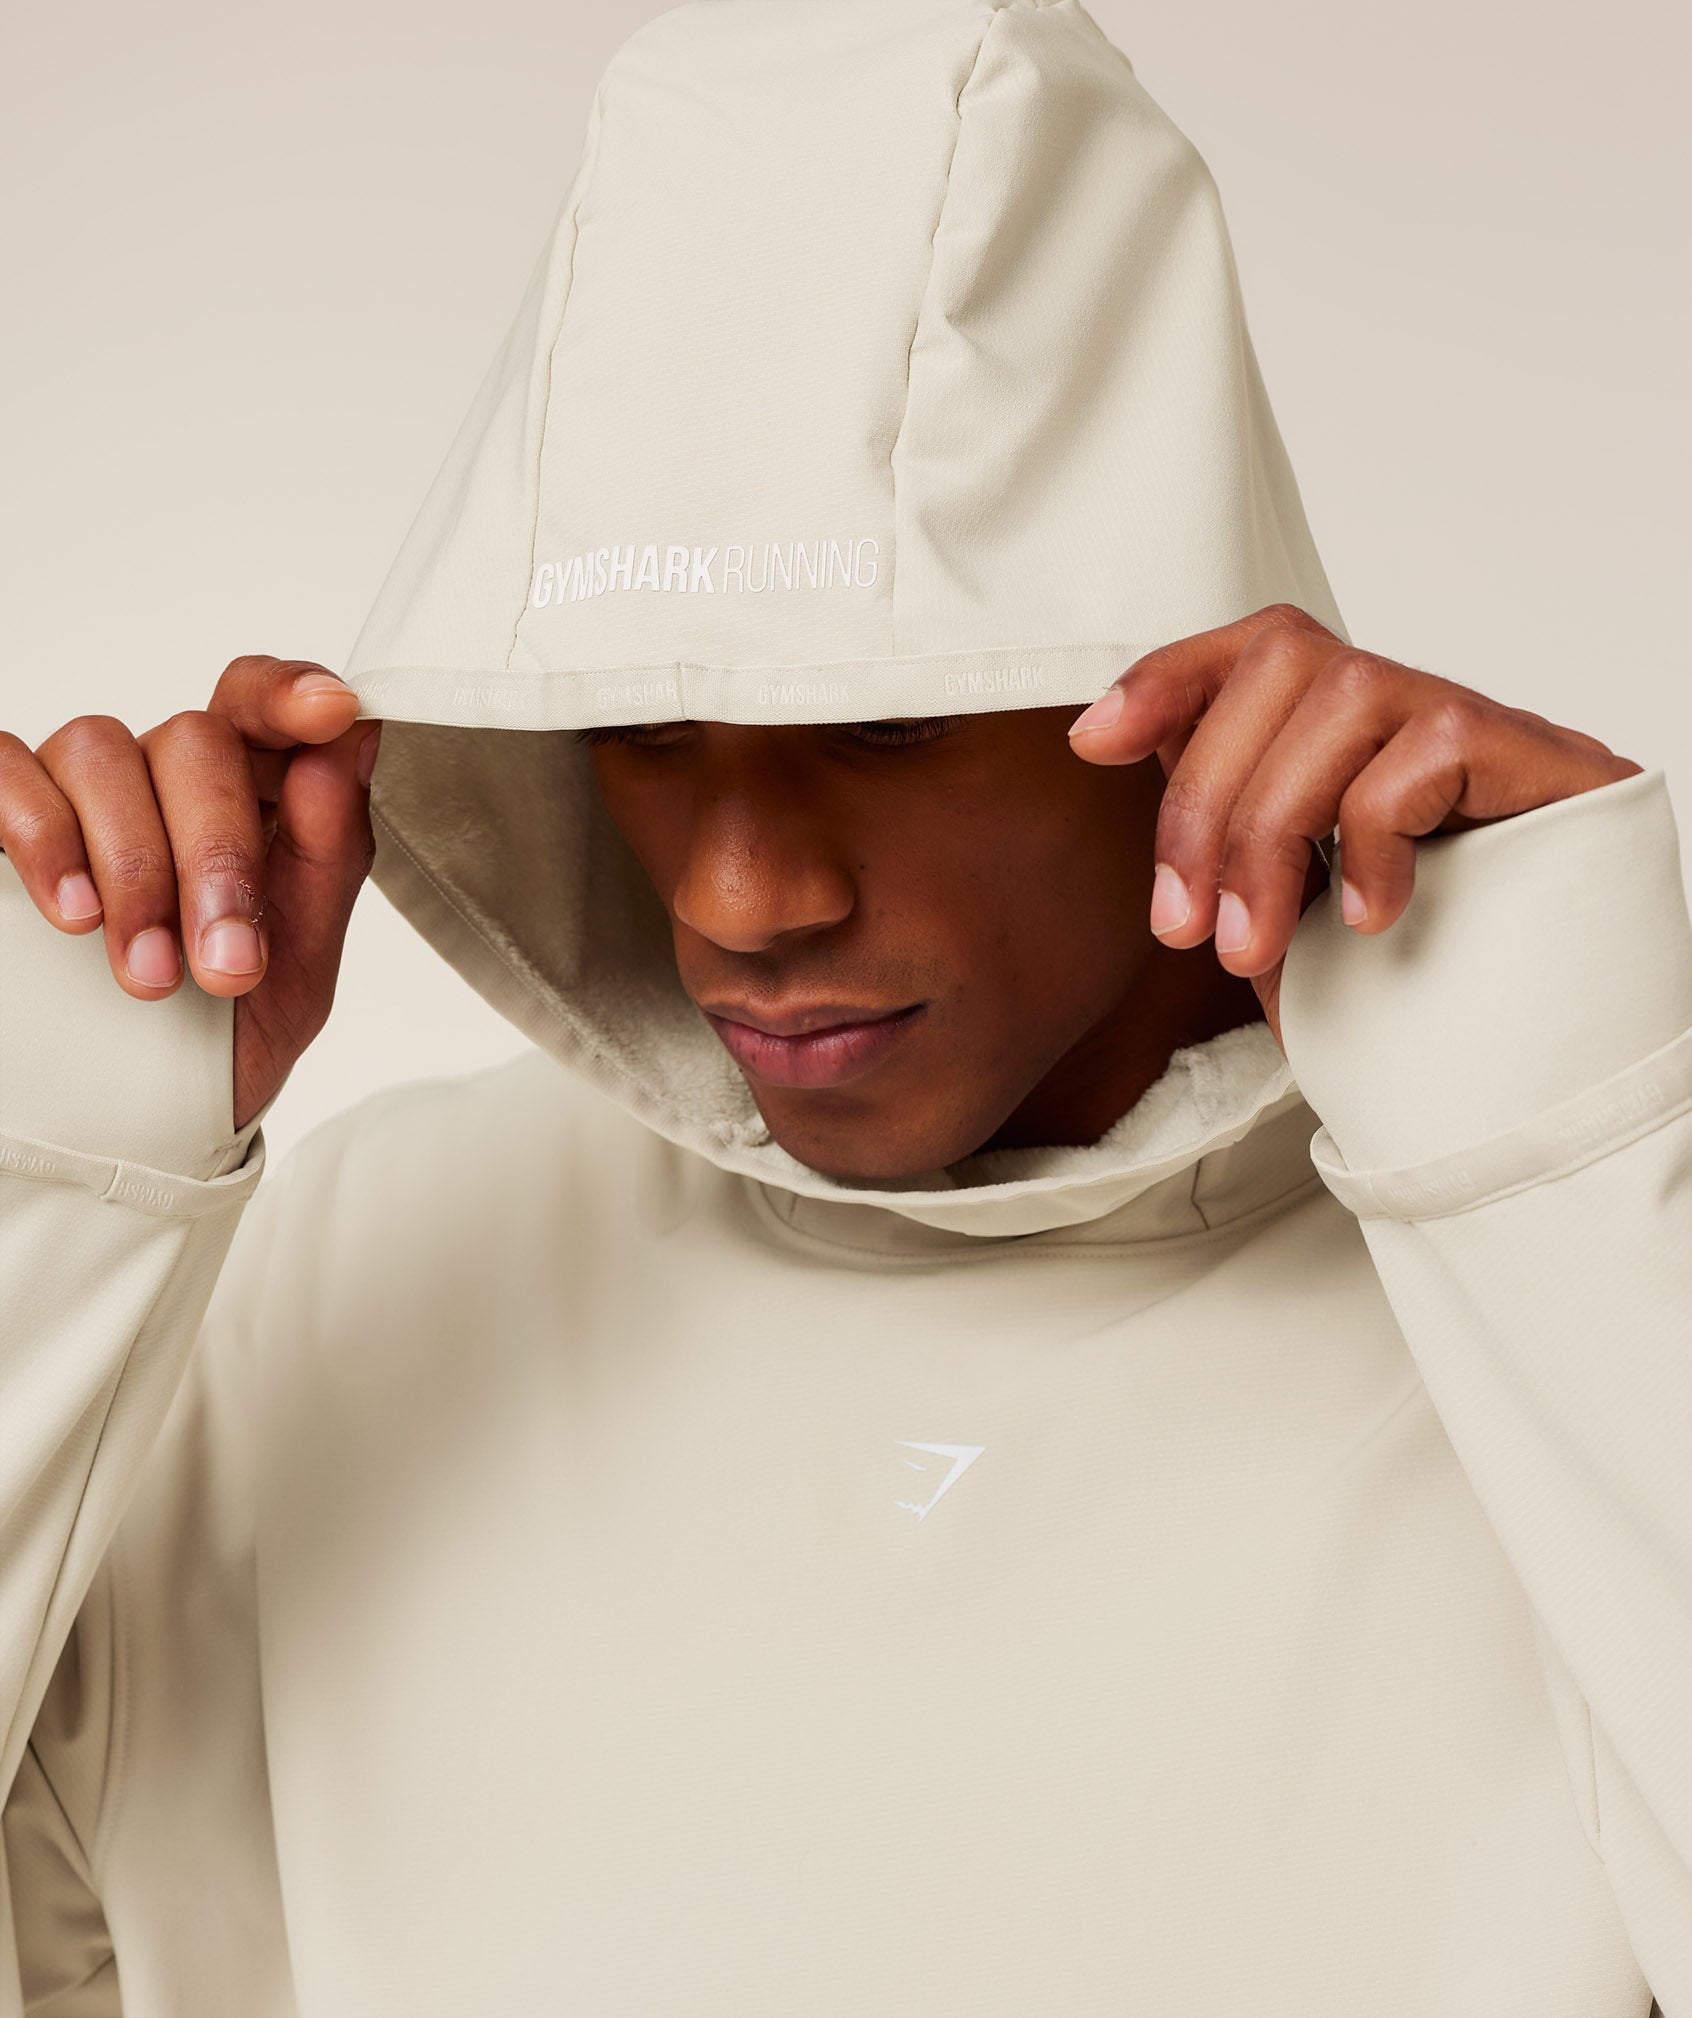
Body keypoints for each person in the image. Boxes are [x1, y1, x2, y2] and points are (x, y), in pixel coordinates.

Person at [1, 2, 1688, 2011]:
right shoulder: (325, 1291)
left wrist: (1577, 1134)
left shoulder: (1562, 1293)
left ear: (1193, 681)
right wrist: (52, 1152)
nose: (736, 898)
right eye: (638, 732)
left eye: (884, 725)